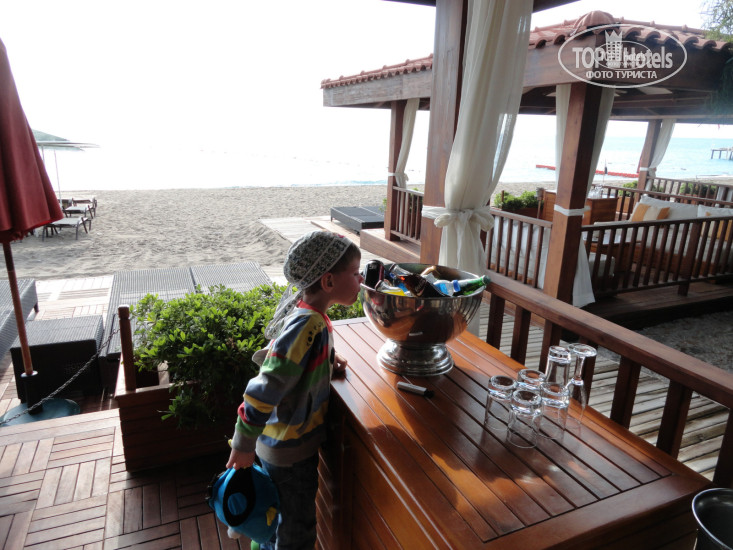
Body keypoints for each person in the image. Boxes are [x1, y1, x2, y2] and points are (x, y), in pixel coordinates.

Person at [227, 230, 363, 550]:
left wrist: (327, 360)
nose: (361, 280)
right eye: (355, 273)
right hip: (289, 453)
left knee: (278, 516)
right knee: (296, 530)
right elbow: (263, 388)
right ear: (328, 282)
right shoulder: (306, 326)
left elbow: (295, 364)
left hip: (283, 446)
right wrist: (243, 445)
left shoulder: (310, 316)